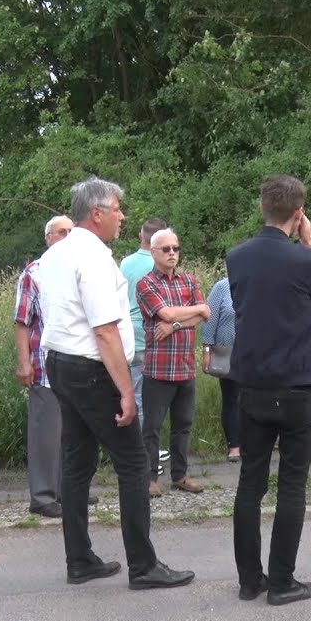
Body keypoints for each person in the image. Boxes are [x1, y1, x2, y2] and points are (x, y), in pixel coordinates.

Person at [38, 177, 194, 590]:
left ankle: (80, 558)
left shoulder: (56, 252)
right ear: (97, 213)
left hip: (60, 363)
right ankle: (143, 566)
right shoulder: (91, 256)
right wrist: (126, 390)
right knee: (133, 462)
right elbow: (105, 330)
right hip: (92, 369)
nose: (123, 216)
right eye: (118, 208)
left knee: (77, 461)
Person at [229, 174, 311, 606]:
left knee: (250, 483)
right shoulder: (305, 260)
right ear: (299, 214)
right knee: (292, 485)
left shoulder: (237, 257)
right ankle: (281, 582)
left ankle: (249, 580)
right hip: (298, 384)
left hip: (255, 382)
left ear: (262, 207)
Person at [137, 228, 210, 498]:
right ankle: (149, 478)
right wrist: (190, 312)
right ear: (153, 252)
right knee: (152, 428)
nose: (171, 253)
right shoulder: (146, 284)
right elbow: (165, 312)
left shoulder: (189, 281)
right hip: (159, 368)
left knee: (183, 425)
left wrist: (175, 324)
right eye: (166, 249)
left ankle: (179, 475)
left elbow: (206, 313)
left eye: (175, 249)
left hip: (185, 366)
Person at [14, 216, 74, 518]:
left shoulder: (77, 268)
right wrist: (24, 362)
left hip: (74, 364)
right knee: (45, 432)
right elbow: (22, 321)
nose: (67, 236)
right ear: (48, 238)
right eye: (61, 231)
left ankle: (68, 491)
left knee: (70, 431)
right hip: (43, 363)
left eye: (71, 232)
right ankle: (42, 495)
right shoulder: (34, 273)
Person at [119, 217, 169, 436]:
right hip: (156, 333)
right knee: (153, 398)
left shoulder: (125, 263)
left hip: (131, 333)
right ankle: (146, 450)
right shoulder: (161, 263)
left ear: (141, 236)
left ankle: (142, 447)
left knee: (136, 393)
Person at [202, 276, 240, 461]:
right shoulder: (222, 287)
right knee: (232, 399)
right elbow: (209, 319)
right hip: (228, 352)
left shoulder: (259, 282)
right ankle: (234, 445)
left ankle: (253, 442)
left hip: (255, 353)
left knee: (254, 399)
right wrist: (207, 349)